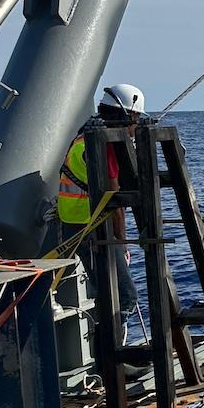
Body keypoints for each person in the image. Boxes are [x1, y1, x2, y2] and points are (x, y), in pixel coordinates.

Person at [58, 84, 145, 349]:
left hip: (75, 223)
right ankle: (111, 358)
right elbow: (114, 197)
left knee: (104, 293)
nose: (135, 126)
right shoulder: (106, 144)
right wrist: (122, 239)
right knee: (124, 297)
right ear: (127, 114)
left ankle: (106, 357)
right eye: (136, 119)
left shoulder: (83, 135)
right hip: (94, 226)